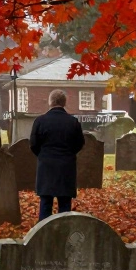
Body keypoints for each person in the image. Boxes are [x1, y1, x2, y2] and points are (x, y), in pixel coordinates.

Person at [28, 89, 86, 221]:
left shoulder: (40, 121)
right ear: (64, 103)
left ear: (50, 102)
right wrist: (68, 154)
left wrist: (43, 155)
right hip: (66, 165)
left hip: (46, 165)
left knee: (45, 202)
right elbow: (80, 143)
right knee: (65, 203)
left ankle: (43, 232)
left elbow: (33, 144)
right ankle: (64, 233)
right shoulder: (73, 122)